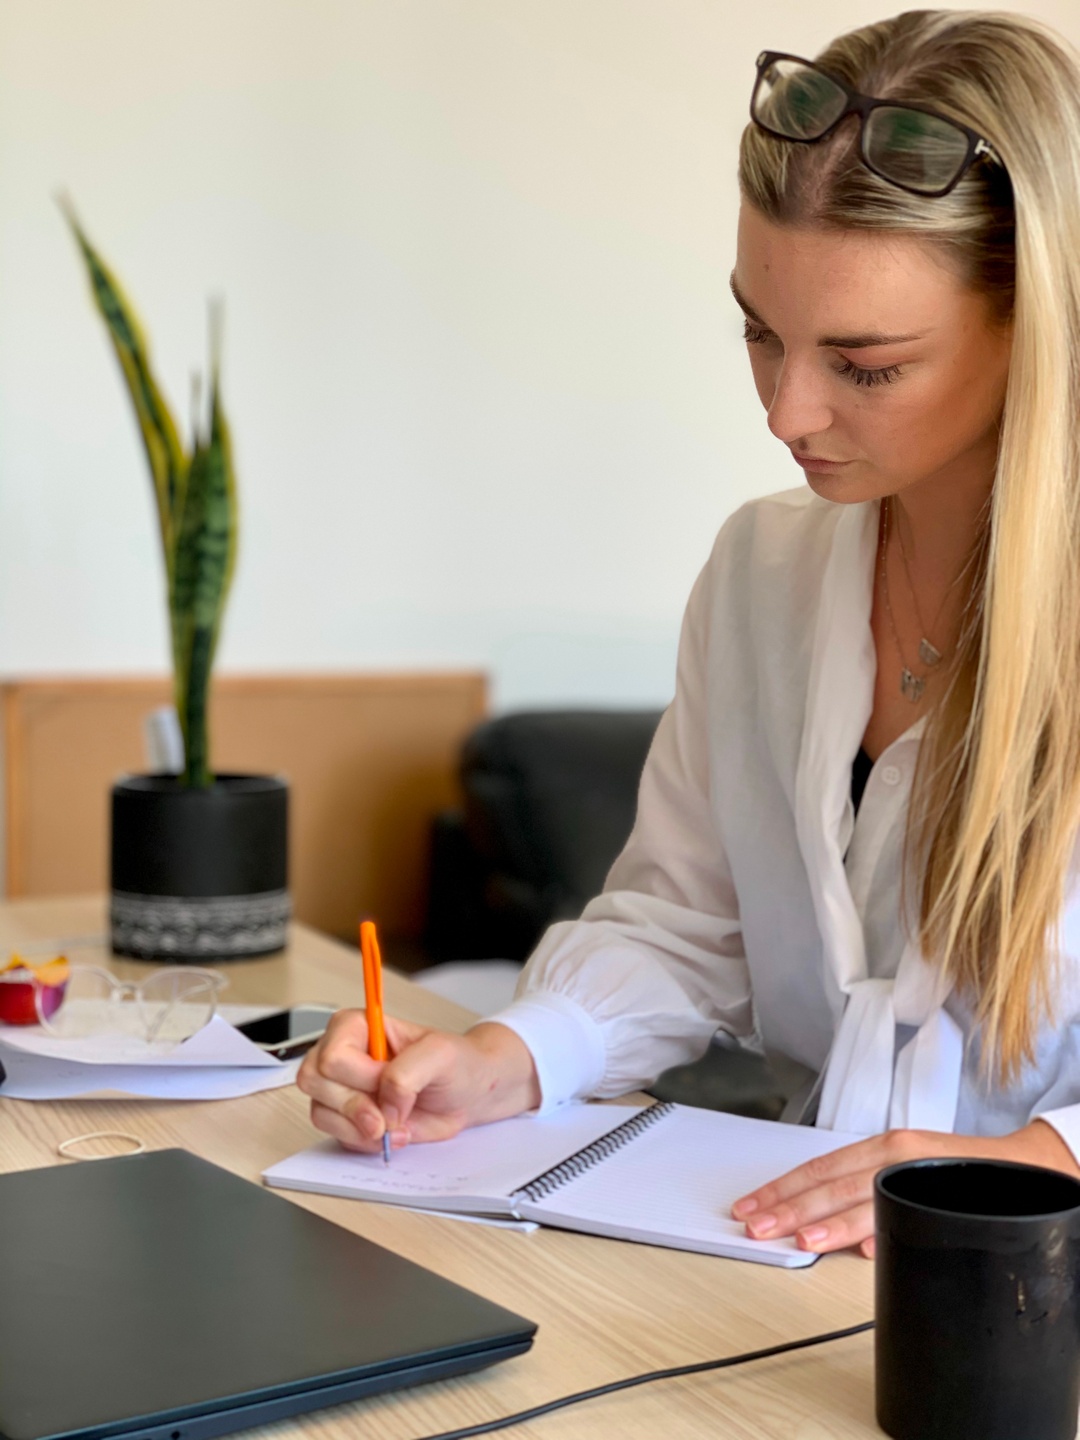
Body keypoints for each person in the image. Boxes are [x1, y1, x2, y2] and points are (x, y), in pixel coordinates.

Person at [300, 10, 1080, 1259]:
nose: (787, 411)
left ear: (1039, 326)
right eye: (760, 332)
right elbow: (683, 923)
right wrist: (508, 1056)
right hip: (791, 1269)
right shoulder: (763, 572)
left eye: (866, 365)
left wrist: (1038, 1162)